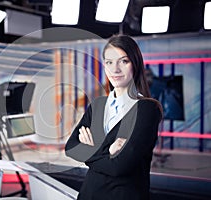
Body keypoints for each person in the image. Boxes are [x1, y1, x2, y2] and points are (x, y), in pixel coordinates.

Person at [65, 34, 163, 200]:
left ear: (135, 64)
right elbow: (71, 147)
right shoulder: (98, 105)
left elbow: (120, 167)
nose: (115, 69)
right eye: (109, 62)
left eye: (123, 61)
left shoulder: (147, 109)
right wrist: (108, 151)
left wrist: (91, 150)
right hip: (89, 193)